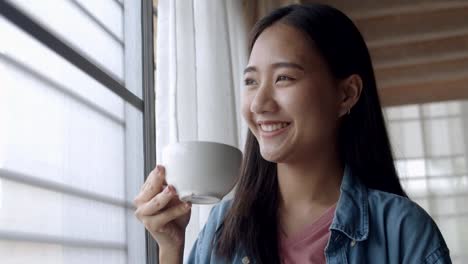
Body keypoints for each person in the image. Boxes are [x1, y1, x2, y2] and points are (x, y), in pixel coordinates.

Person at [134, 3, 451, 264]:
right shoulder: (222, 228)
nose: (259, 103)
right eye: (251, 81)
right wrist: (170, 249)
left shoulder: (403, 231)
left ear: (346, 94)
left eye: (284, 78)